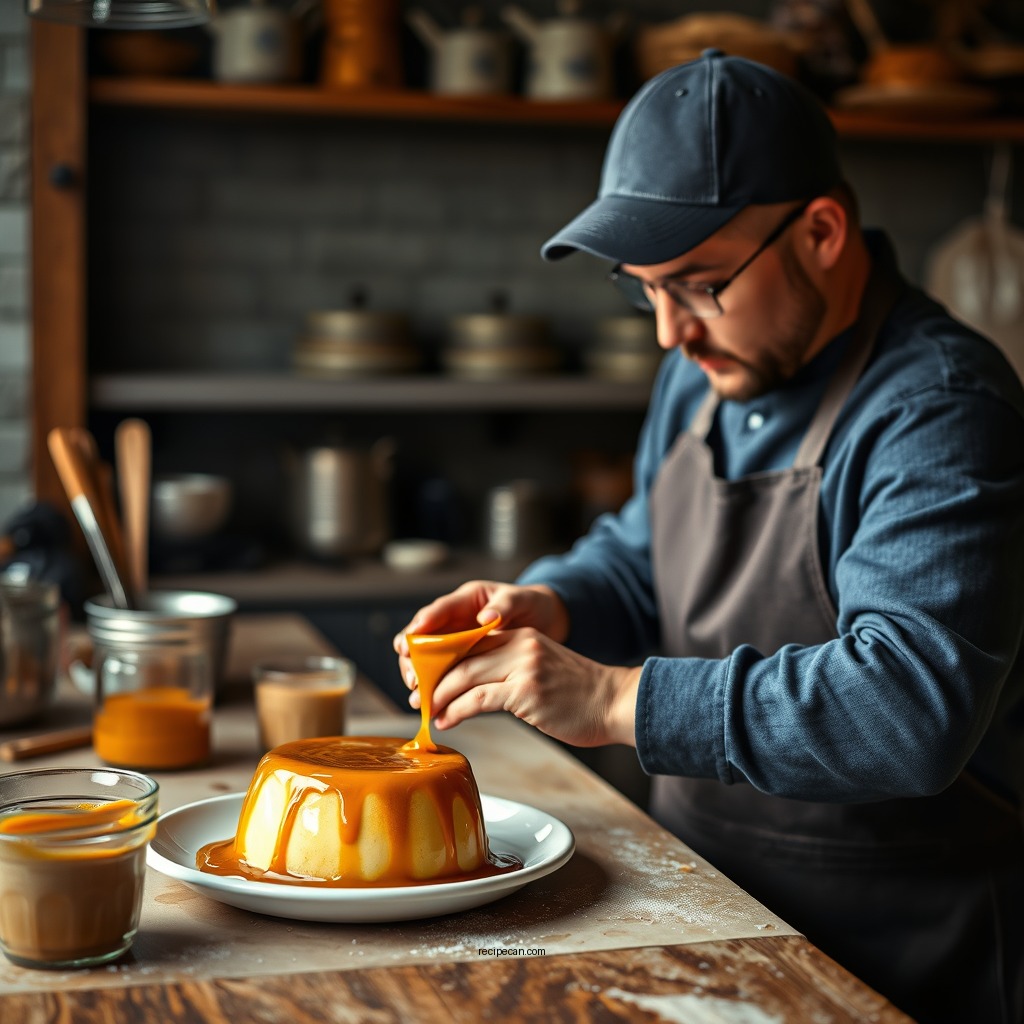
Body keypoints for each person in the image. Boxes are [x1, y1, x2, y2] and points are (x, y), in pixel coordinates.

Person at [393, 50, 1024, 1024]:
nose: (666, 334)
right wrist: (552, 599)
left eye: (697, 283)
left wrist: (609, 696)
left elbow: (906, 706)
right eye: (641, 289)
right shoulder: (708, 368)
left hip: (903, 953)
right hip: (705, 913)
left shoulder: (940, 410)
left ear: (820, 231)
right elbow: (649, 551)